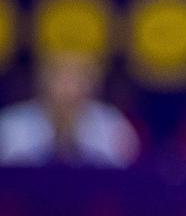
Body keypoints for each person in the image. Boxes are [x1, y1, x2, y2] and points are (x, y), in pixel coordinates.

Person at [0, 53, 138, 168]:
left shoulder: (114, 124)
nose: (69, 89)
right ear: (42, 82)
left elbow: (124, 175)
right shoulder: (10, 124)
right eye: (60, 78)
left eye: (79, 79)